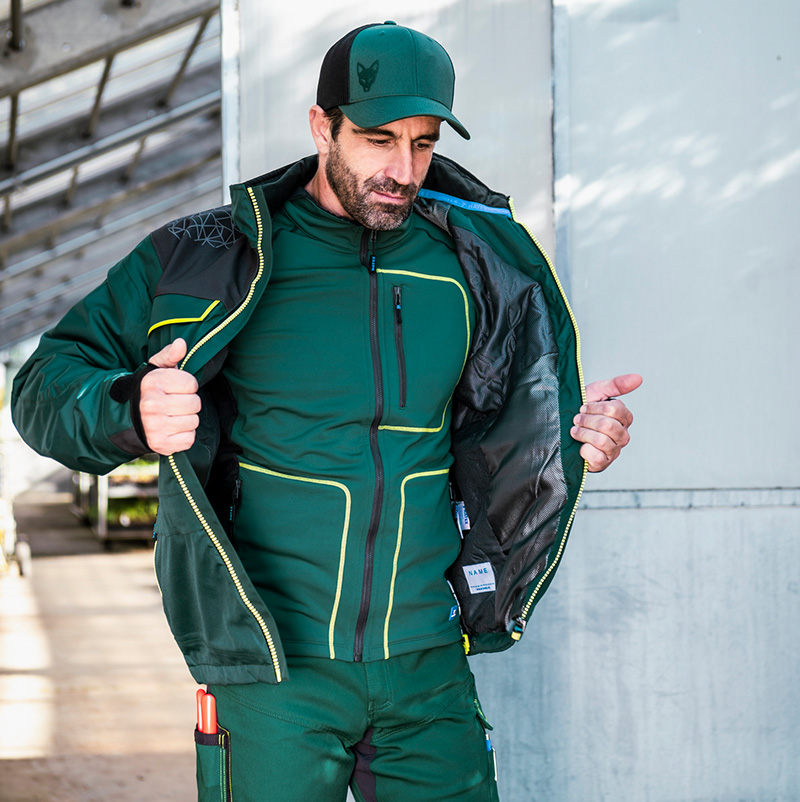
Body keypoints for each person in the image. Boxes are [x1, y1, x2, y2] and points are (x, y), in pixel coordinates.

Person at [12, 21, 641, 802]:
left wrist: (575, 438)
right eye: (378, 139)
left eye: (422, 142)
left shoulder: (481, 262)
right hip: (276, 672)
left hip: (427, 669)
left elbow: (513, 418)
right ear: (321, 126)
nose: (404, 170)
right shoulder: (207, 255)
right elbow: (41, 385)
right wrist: (128, 412)